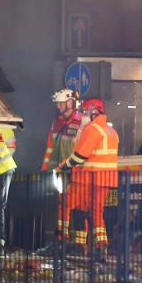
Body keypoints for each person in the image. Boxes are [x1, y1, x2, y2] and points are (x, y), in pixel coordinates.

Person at [56, 97, 119, 252]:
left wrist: (64, 166)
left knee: (64, 204)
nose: (82, 115)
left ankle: (61, 241)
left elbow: (80, 156)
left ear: (94, 112)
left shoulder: (92, 129)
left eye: (85, 111)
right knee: (97, 212)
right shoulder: (111, 130)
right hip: (106, 178)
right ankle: (101, 246)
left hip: (87, 176)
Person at [43, 88, 83, 171]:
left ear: (70, 103)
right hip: (55, 171)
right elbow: (50, 147)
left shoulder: (81, 122)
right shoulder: (56, 123)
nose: (58, 106)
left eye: (60, 103)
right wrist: (45, 166)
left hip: (73, 171)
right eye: (57, 103)